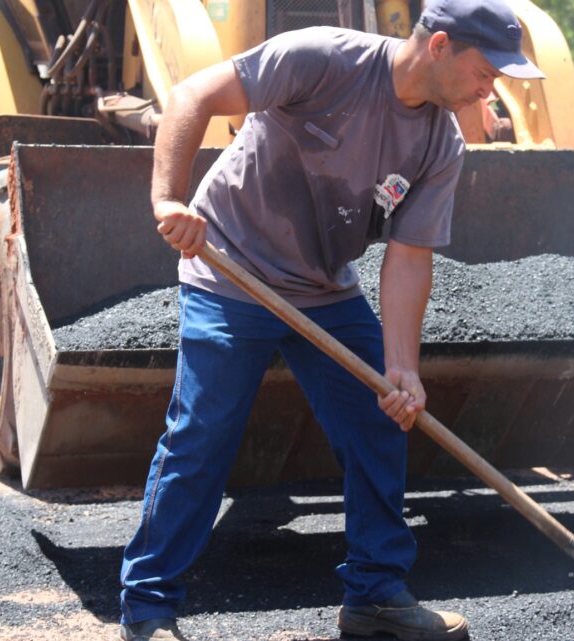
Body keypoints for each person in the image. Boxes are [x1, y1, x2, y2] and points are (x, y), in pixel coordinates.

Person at [117, 1, 544, 639]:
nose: (490, 90)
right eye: (486, 72)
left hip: (322, 288)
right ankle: (147, 608)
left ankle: (375, 595)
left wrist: (401, 369)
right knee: (203, 434)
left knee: (383, 414)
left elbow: (408, 258)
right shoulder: (322, 59)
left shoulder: (441, 144)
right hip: (229, 266)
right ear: (440, 46)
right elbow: (191, 95)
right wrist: (168, 200)